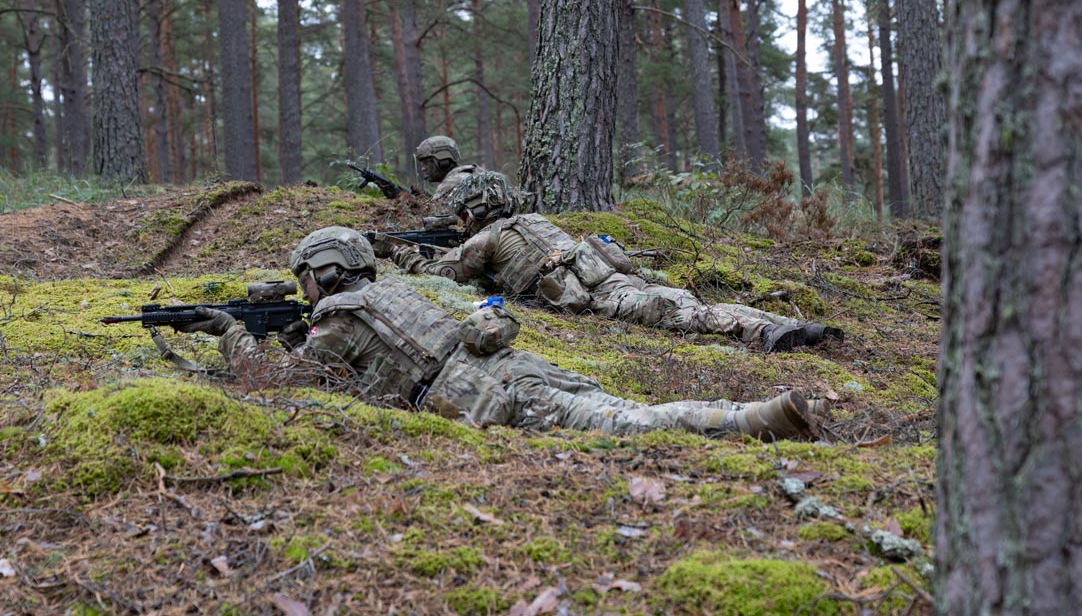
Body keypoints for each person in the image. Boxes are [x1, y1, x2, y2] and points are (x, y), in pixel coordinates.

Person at [172, 226, 823, 440]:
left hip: (493, 397)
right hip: (514, 365)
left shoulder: (339, 319)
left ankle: (757, 418)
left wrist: (232, 336)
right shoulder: (396, 292)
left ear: (322, 272)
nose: (302, 291)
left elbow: (279, 384)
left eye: (304, 278)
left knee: (633, 426)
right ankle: (755, 410)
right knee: (625, 407)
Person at [375, 172, 843, 353]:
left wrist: (401, 253)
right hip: (614, 275)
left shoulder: (490, 238)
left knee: (681, 312)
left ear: (473, 212)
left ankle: (767, 331)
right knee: (678, 299)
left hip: (601, 294)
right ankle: (791, 324)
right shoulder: (534, 219)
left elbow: (445, 275)